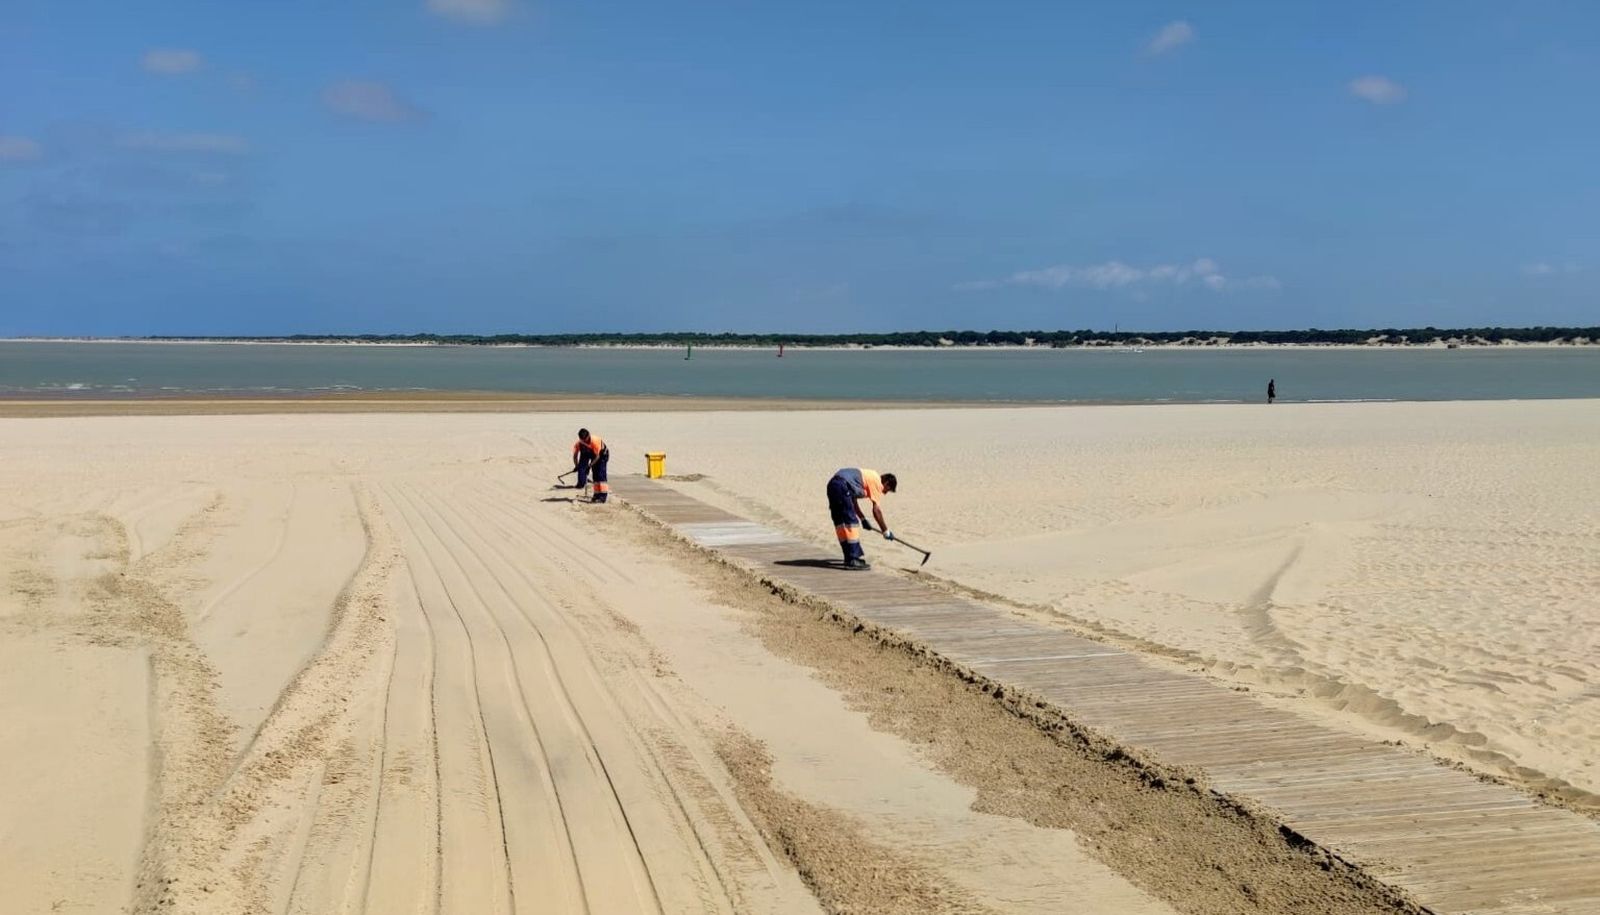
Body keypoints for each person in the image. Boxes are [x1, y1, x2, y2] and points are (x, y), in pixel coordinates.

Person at [826, 467, 897, 570]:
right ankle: (853, 559)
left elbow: (852, 500)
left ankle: (848, 557)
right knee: (851, 523)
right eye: (887, 490)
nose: (884, 493)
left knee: (841, 522)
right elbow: (876, 510)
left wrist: (863, 519)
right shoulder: (877, 482)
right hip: (842, 485)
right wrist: (885, 531)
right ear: (886, 483)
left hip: (833, 485)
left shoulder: (866, 477)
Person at [572, 428, 610, 502]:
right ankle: (596, 494)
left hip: (602, 456)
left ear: (589, 435)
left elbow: (597, 456)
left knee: (600, 475)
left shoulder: (595, 441)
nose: (585, 441)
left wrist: (589, 466)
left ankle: (603, 497)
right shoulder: (579, 443)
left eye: (586, 439)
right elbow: (575, 456)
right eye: (583, 440)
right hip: (592, 455)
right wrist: (577, 466)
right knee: (595, 475)